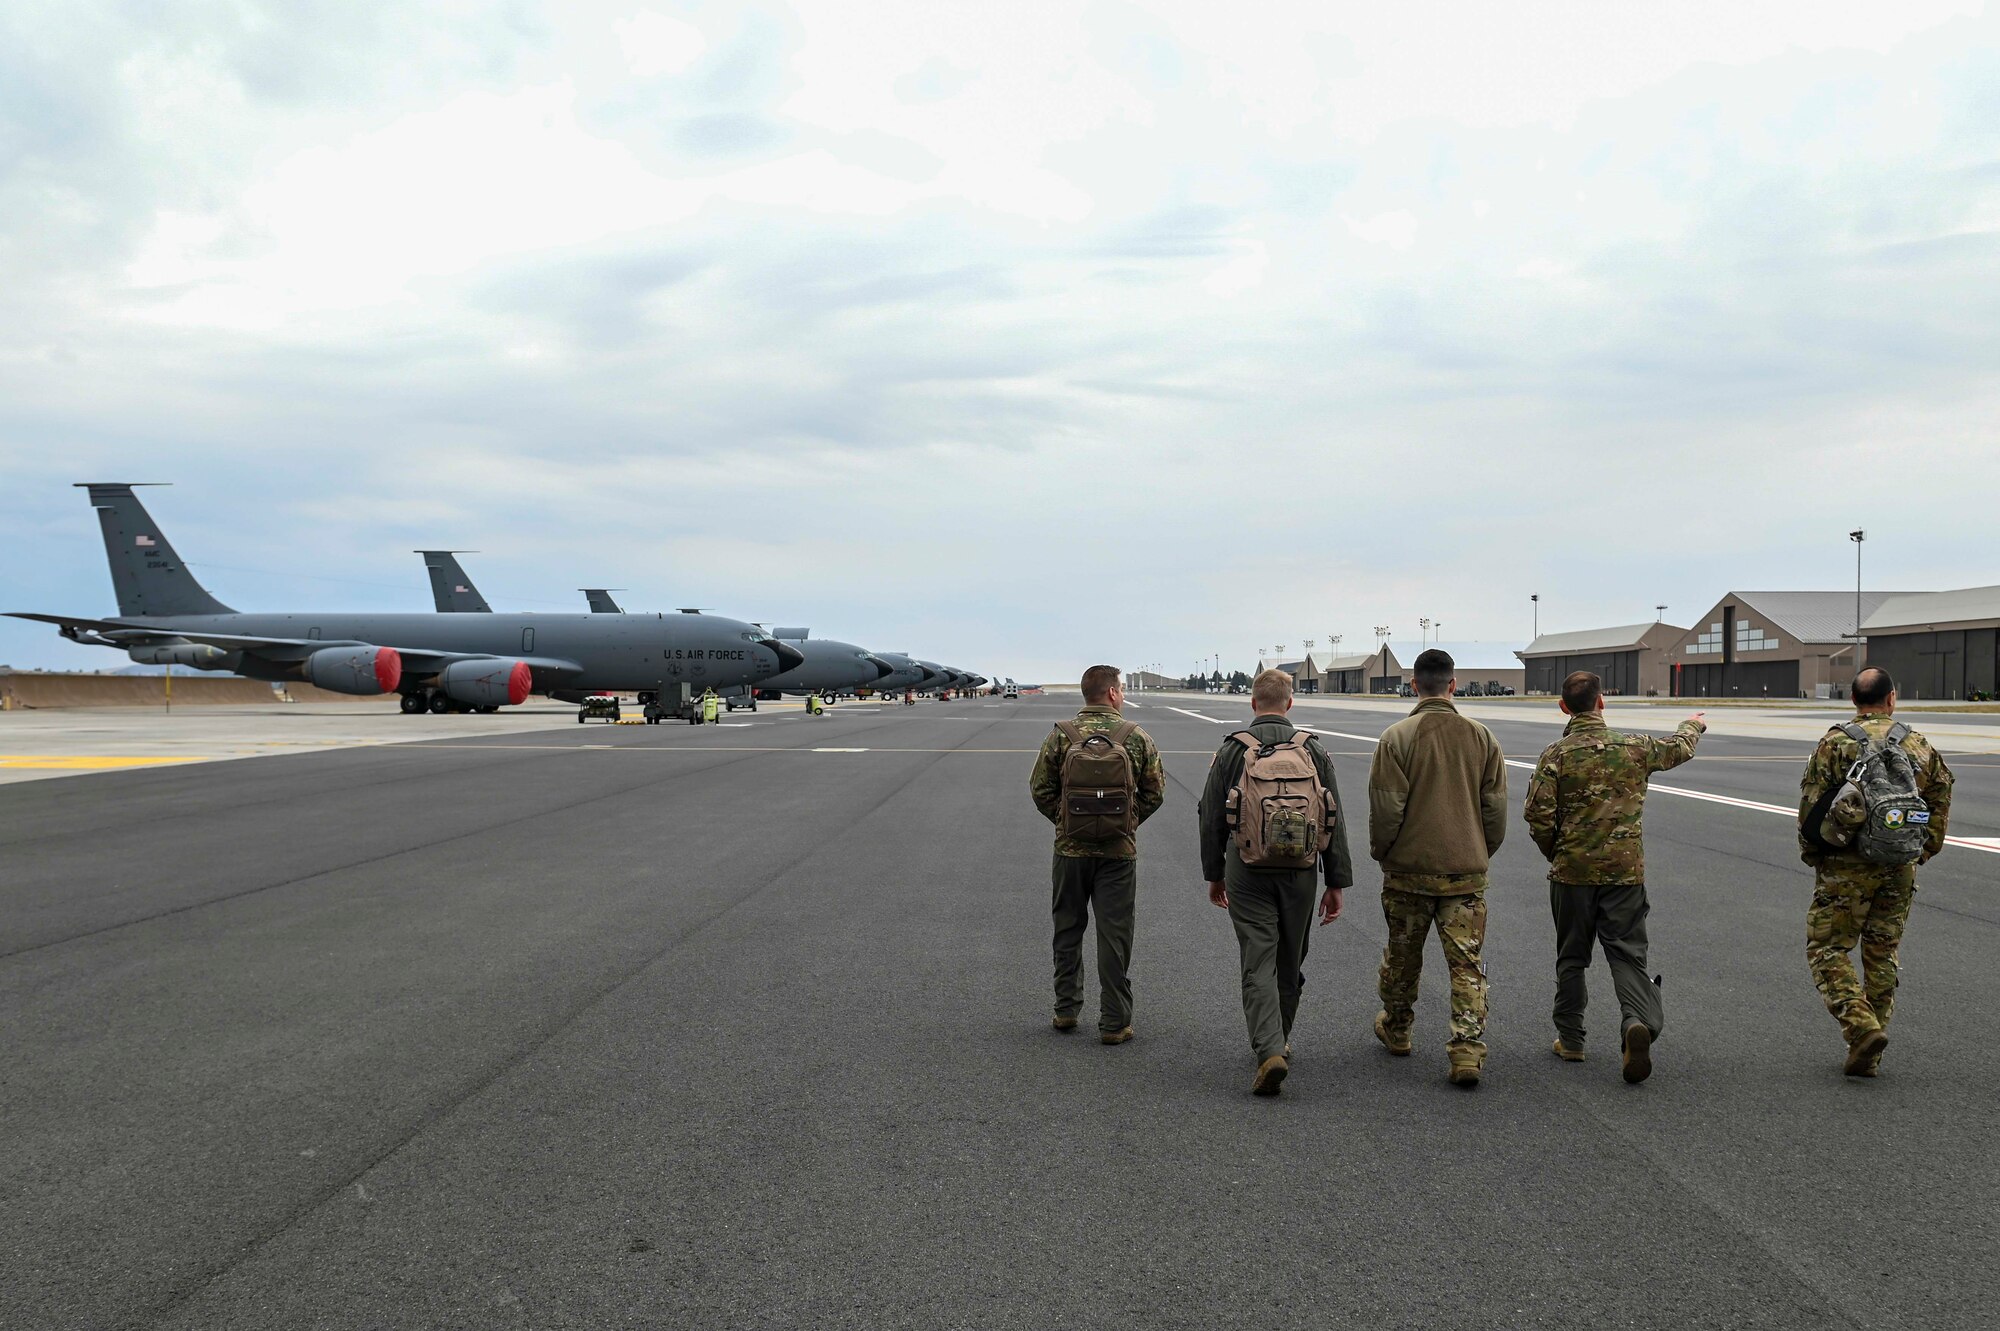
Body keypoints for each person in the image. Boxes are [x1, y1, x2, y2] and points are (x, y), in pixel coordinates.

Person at [1524, 671, 1705, 1083]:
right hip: (1624, 874)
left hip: (1572, 874)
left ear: (1563, 707)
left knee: (1572, 957)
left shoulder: (1557, 754)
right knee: (1626, 954)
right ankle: (1635, 1023)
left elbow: (1536, 814)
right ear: (1602, 702)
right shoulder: (1635, 746)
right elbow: (1679, 749)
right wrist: (1692, 723)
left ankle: (1571, 1041)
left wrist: (1558, 852)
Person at [1199, 669, 1353, 1095]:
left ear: (1253, 703)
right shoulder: (1313, 750)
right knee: (1290, 957)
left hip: (1246, 870)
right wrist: (1336, 880)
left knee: (1257, 956)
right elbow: (1334, 819)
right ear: (1290, 704)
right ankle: (1279, 1038)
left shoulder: (1234, 749)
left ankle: (1268, 1048)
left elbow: (1211, 815)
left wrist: (1214, 874)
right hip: (1301, 871)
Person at [1798, 666, 1953, 1076]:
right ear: (1891, 698)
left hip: (1847, 866)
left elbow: (1812, 807)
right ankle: (1870, 1052)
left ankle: (1861, 1026)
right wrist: (1924, 848)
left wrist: (1815, 855)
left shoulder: (1835, 743)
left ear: (1852, 701)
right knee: (1882, 953)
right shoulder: (1917, 744)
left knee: (1827, 948)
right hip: (1899, 863)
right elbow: (1940, 791)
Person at [1367, 649, 1507, 1087]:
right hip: (1465, 872)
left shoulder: (1397, 737)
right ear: (1453, 684)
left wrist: (1384, 853)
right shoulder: (1482, 737)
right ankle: (1466, 1050)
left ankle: (1399, 1029)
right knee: (1466, 965)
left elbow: (1386, 809)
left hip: (1408, 871)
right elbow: (1495, 810)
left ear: (1414, 685)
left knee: (1403, 960)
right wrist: (1478, 850)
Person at [1028, 665, 1166, 1044]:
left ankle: (1066, 1009)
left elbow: (1040, 789)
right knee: (1115, 935)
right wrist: (1126, 824)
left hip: (1070, 851)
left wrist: (1066, 823)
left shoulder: (1061, 737)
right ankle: (1114, 1021)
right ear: (1111, 694)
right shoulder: (1135, 737)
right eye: (1120, 689)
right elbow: (1155, 793)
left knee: (1068, 928)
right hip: (1118, 854)